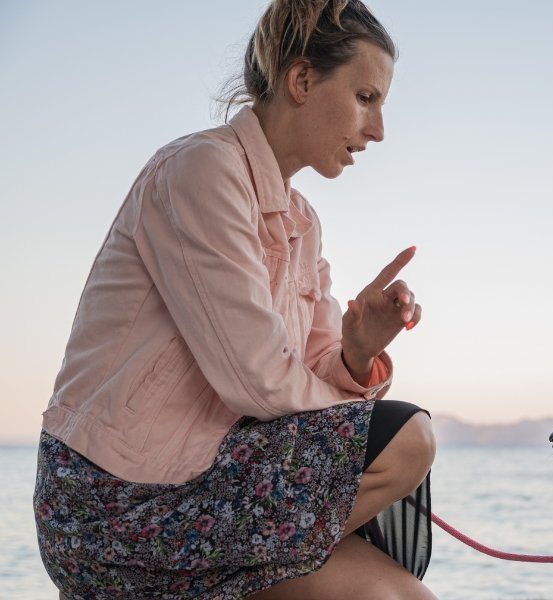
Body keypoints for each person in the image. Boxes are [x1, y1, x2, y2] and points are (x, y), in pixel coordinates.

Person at [33, 1, 438, 598]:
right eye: (366, 99)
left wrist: (356, 353)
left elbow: (310, 377)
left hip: (213, 487)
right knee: (407, 440)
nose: (378, 129)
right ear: (301, 80)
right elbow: (260, 384)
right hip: (111, 501)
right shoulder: (201, 169)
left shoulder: (303, 222)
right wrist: (357, 424)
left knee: (405, 597)